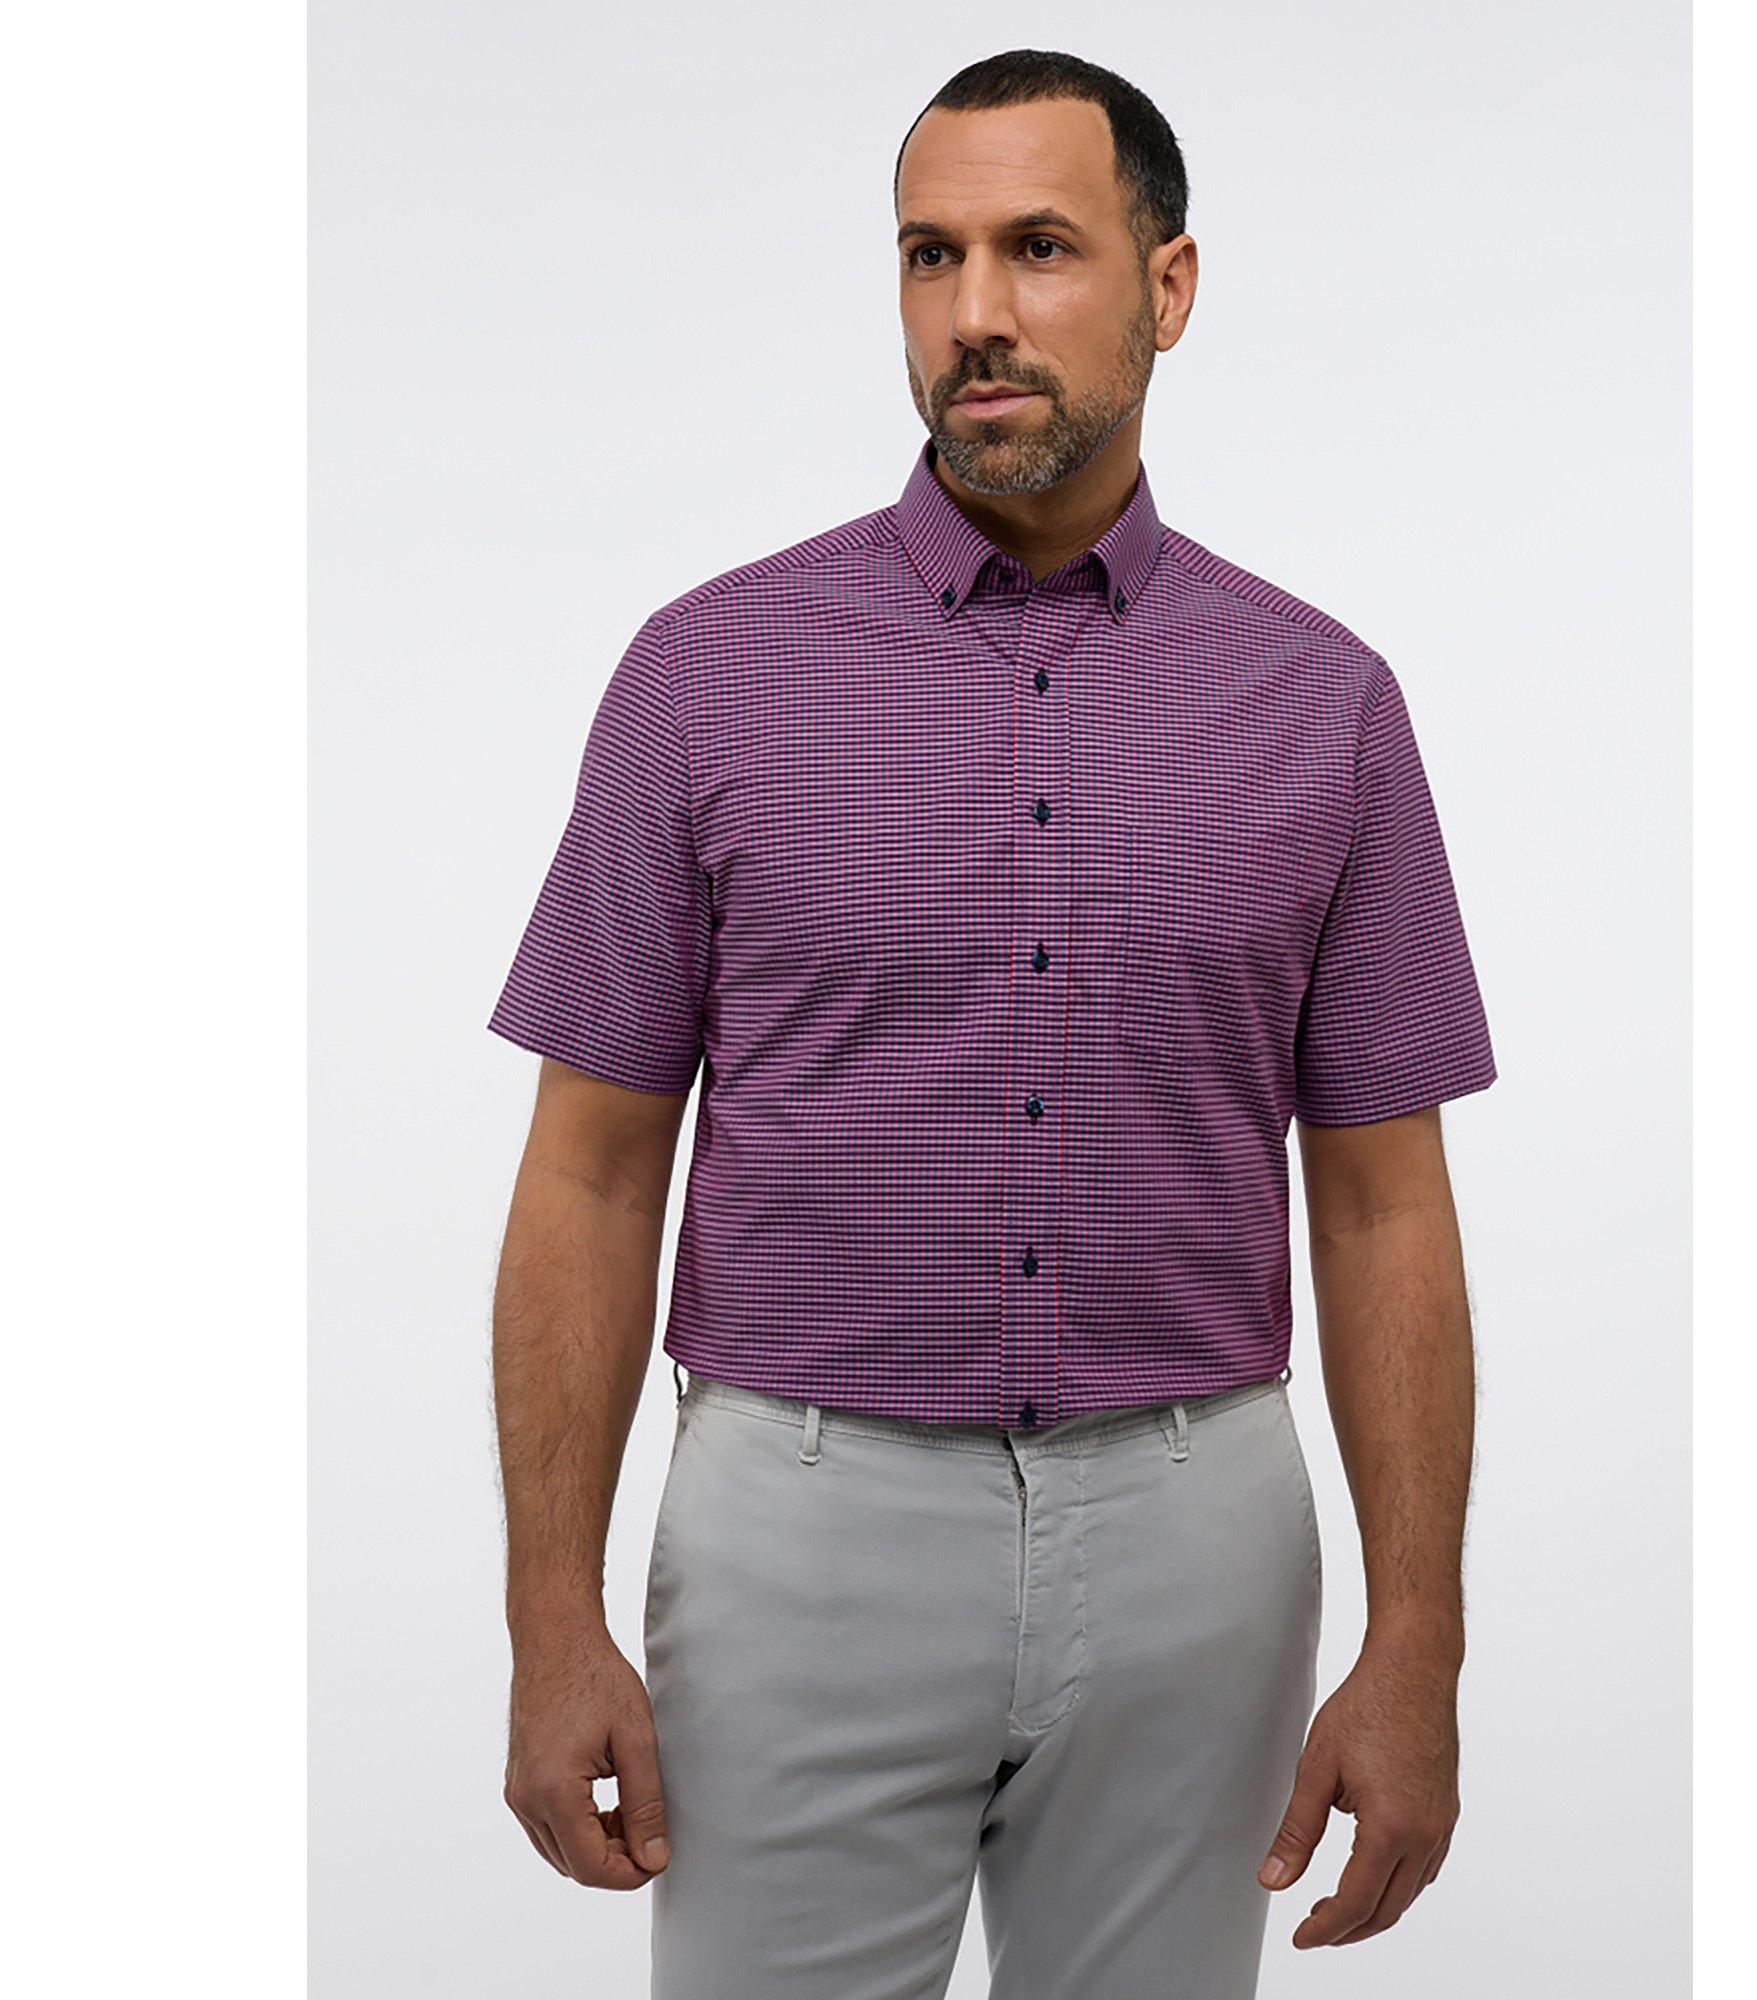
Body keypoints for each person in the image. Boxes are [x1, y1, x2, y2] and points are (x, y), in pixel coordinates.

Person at [488, 46, 1497, 1999]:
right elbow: (590, 1173)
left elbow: (1386, 1202)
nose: (973, 312)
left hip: (1197, 1537)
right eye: (929, 254)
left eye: (1039, 246)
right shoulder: (706, 676)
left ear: (1168, 284)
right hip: (801, 1532)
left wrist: (1418, 1643)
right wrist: (549, 1613)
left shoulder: (1324, 704)